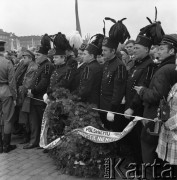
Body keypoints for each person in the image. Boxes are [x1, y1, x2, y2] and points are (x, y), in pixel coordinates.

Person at [134, 34, 177, 178]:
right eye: (158, 48)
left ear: (172, 52)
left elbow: (157, 96)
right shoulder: (171, 67)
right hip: (164, 118)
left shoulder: (165, 70)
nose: (158, 52)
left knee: (148, 149)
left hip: (154, 116)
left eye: (162, 49)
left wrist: (142, 91)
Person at [123, 35, 156, 164]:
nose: (134, 50)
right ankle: (136, 165)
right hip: (130, 107)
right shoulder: (137, 64)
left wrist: (132, 107)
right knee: (132, 140)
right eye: (134, 47)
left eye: (137, 48)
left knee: (138, 140)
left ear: (147, 49)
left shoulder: (149, 66)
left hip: (139, 110)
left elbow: (142, 88)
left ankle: (141, 169)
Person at [23, 35, 54, 149]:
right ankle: (35, 141)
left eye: (38, 55)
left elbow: (44, 82)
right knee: (34, 121)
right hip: (35, 96)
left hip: (40, 98)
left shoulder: (47, 66)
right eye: (35, 55)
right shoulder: (41, 65)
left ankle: (40, 142)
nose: (36, 57)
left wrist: (33, 90)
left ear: (45, 55)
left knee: (40, 122)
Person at [99, 37, 127, 131]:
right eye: (102, 50)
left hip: (112, 108)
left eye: (105, 50)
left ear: (113, 51)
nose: (102, 52)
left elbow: (118, 90)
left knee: (113, 135)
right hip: (103, 105)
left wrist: (112, 110)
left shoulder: (119, 66)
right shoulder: (106, 63)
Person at [18, 50, 38, 144]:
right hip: (26, 94)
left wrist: (22, 88)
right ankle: (27, 137)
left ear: (30, 58)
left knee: (28, 117)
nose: (23, 59)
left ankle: (29, 138)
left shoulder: (32, 67)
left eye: (24, 57)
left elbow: (28, 83)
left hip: (28, 95)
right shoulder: (28, 66)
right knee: (26, 116)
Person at [0, 40, 17, 153]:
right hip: (6, 90)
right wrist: (15, 97)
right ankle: (6, 146)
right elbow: (12, 81)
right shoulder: (7, 62)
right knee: (8, 119)